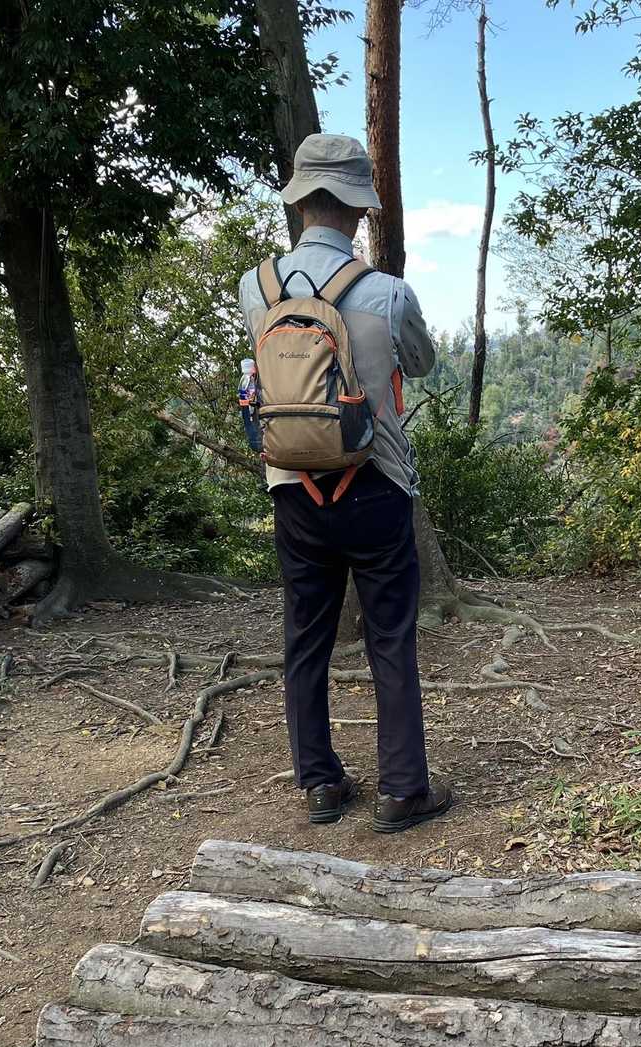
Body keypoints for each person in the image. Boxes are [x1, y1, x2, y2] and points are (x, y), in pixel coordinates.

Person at [238, 134, 453, 833]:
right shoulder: (387, 293)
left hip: (292, 486)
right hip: (375, 483)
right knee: (390, 635)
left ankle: (321, 786)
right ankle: (402, 790)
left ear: (300, 201)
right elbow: (420, 363)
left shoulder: (256, 288)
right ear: (360, 210)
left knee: (305, 636)